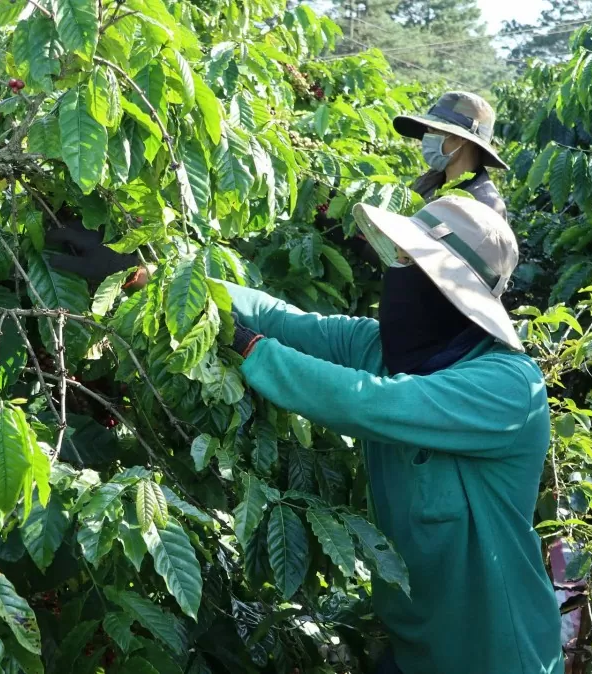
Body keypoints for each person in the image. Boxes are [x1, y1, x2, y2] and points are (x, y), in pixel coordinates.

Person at [223, 196, 562, 674]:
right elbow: (280, 318)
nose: (398, 274)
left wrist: (247, 347)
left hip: (495, 651)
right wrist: (176, 283)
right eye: (400, 257)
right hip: (412, 646)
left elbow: (366, 402)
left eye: (415, 263)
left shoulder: (508, 386)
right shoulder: (379, 347)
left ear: (452, 291)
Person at [395, 91, 509, 218]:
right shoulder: (428, 181)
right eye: (428, 130)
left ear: (462, 138)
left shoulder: (486, 205)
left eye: (435, 130)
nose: (427, 137)